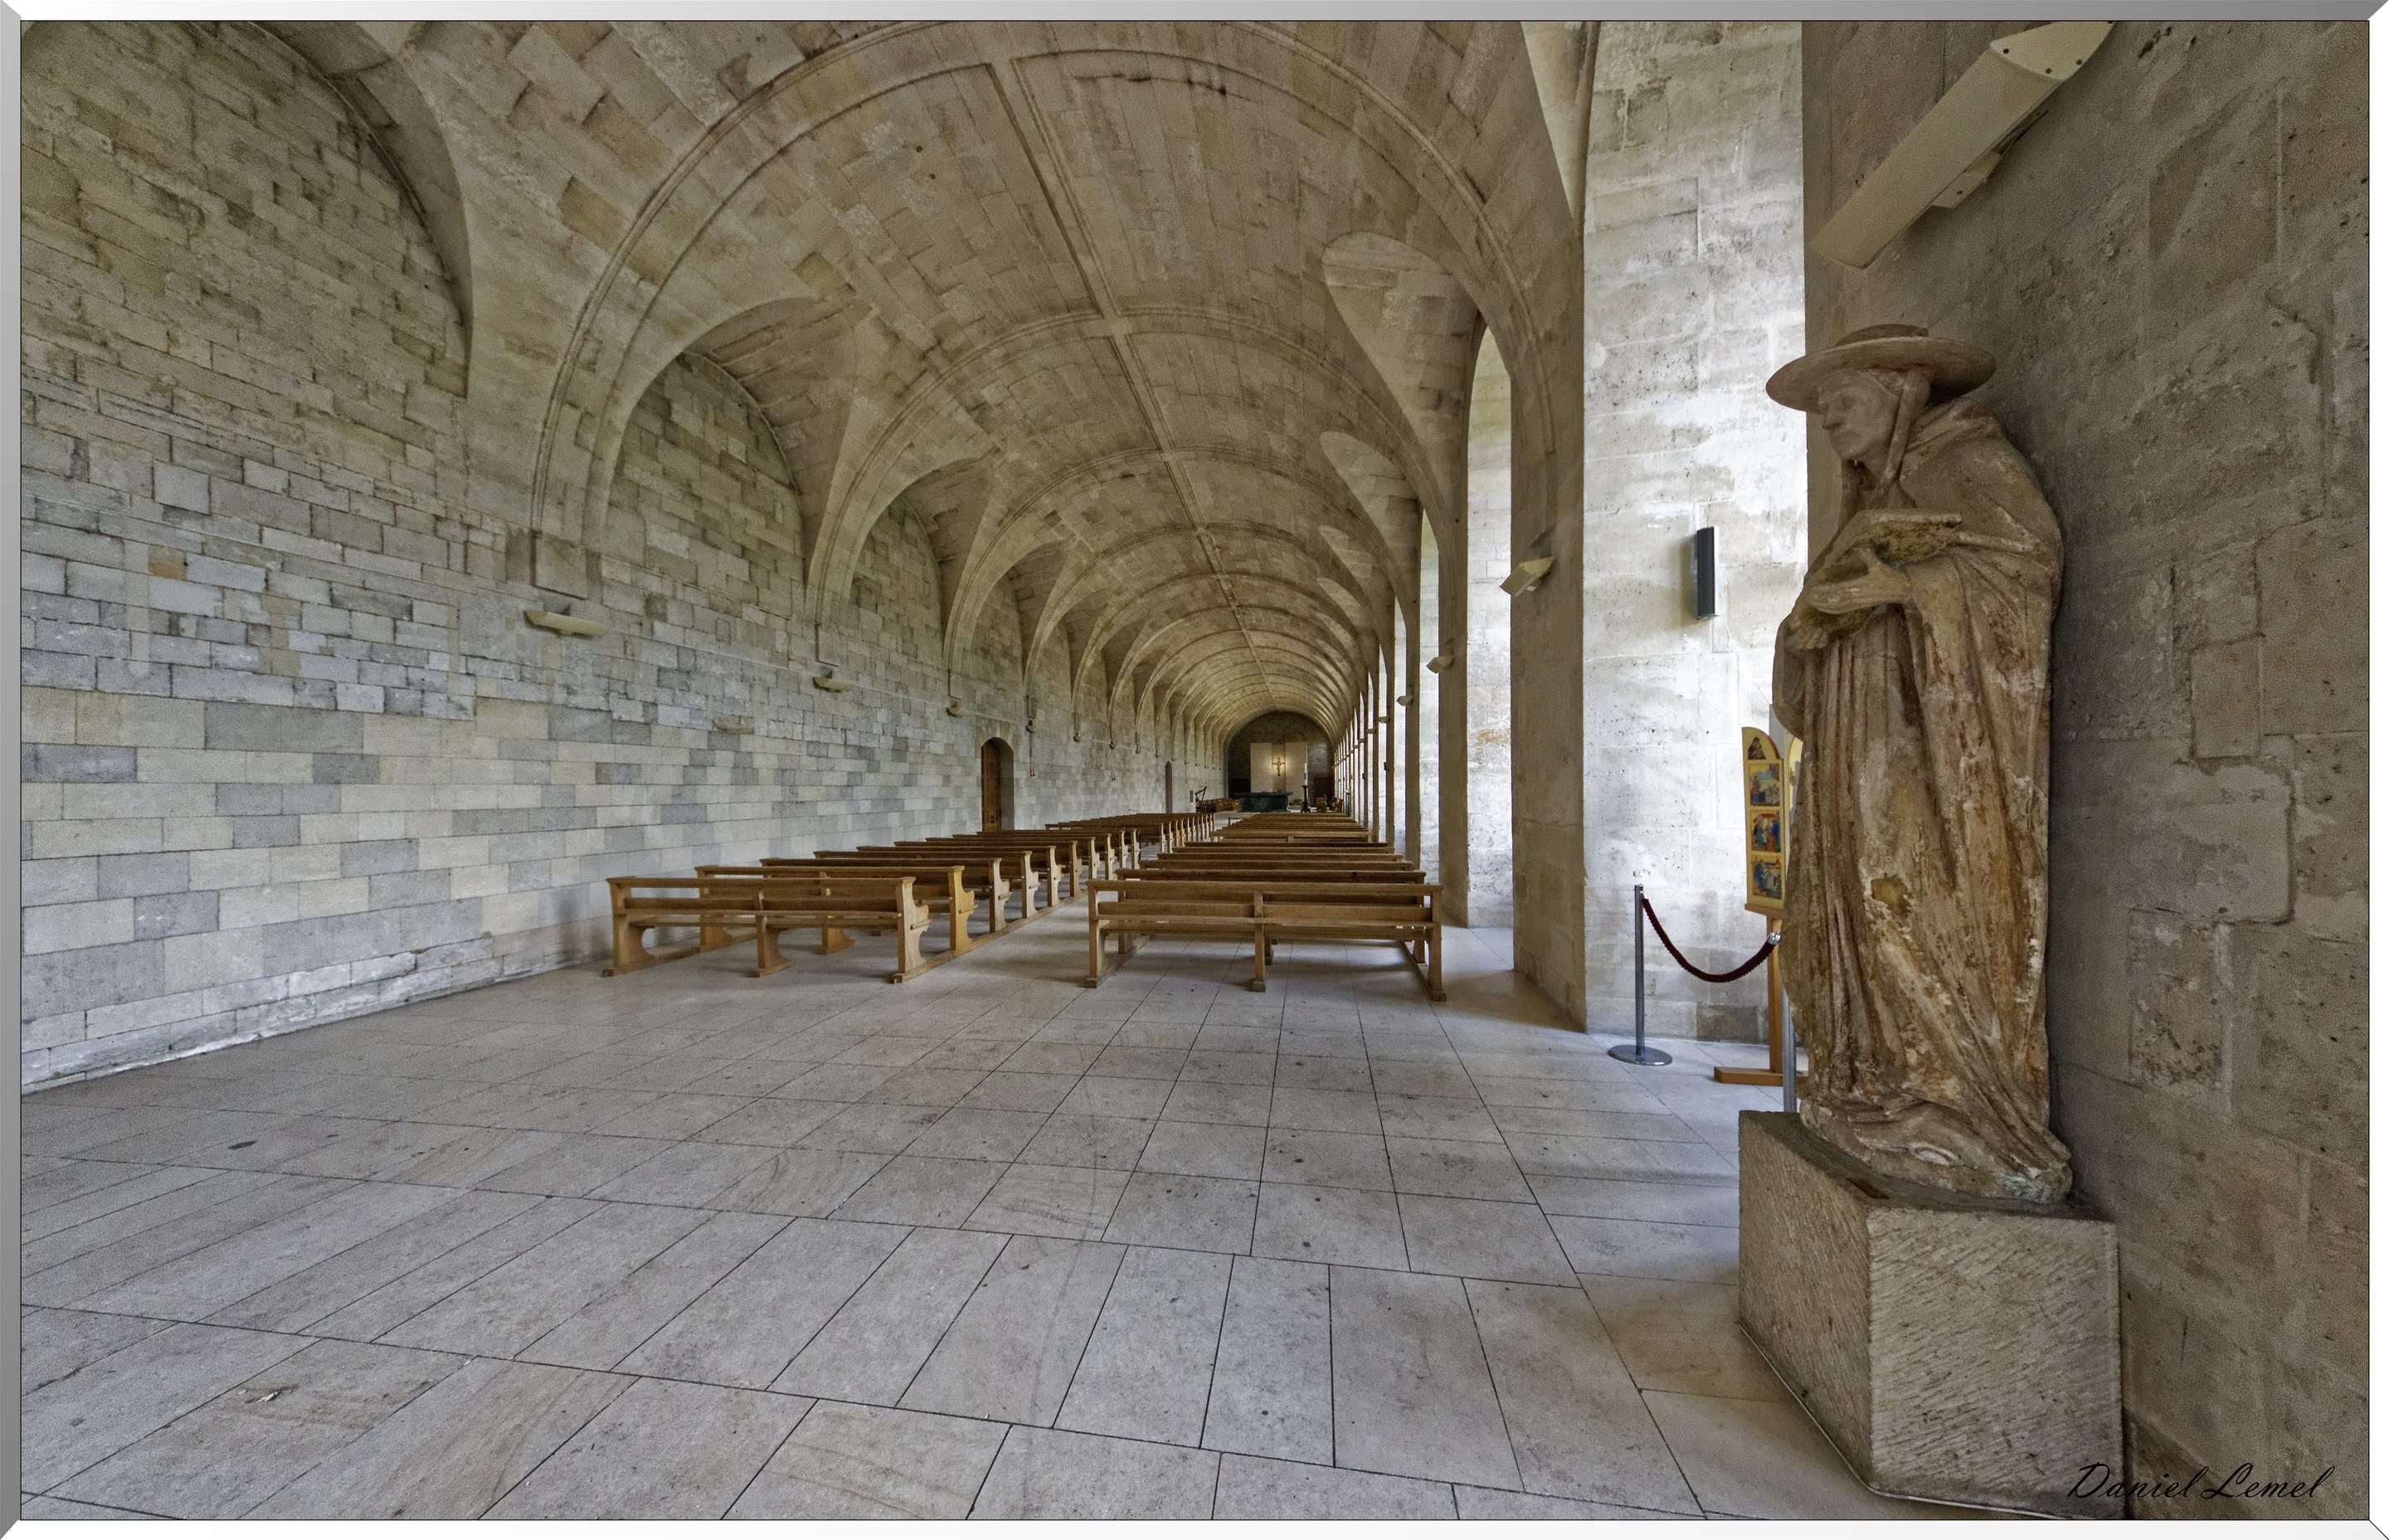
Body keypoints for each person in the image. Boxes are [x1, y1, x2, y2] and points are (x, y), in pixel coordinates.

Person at [1768, 324, 2072, 1204]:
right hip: (1855, 742)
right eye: (1823, 412)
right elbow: (1807, 627)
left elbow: (2025, 571)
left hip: (1931, 757)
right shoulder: (1869, 503)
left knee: (1908, 898)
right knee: (1853, 901)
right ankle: (1870, 1080)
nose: (1831, 423)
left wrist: (1903, 587)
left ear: (1901, 390)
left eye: (1843, 404)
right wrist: (1812, 623)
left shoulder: (1971, 465)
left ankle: (1961, 1101)